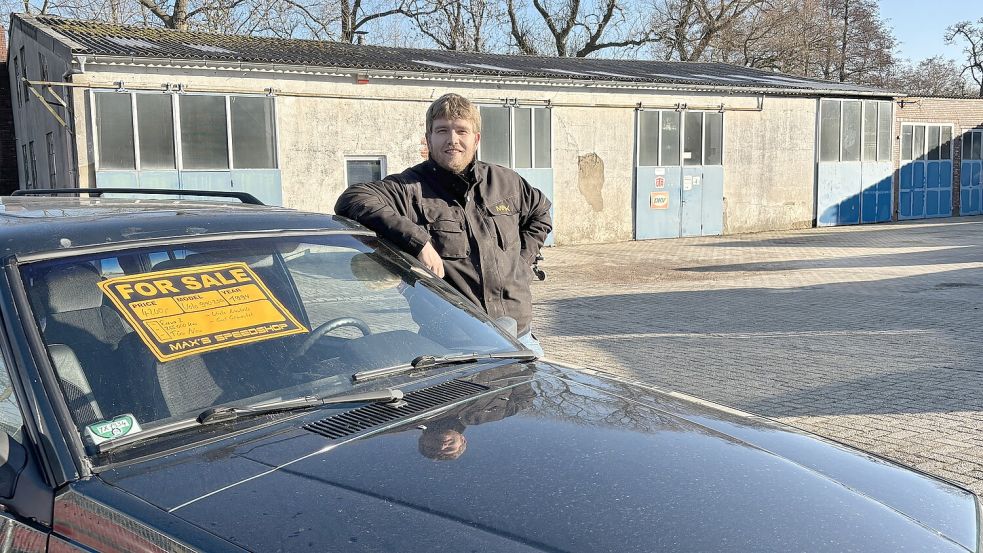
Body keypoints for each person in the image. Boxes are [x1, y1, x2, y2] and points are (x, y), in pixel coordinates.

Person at [335, 93, 552, 355]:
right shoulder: (409, 188)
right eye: (442, 131)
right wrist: (418, 242)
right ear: (428, 139)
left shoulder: (506, 182)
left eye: (462, 130)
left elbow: (540, 212)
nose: (452, 140)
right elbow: (353, 199)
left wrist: (521, 264)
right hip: (450, 349)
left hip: (518, 338)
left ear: (476, 138)